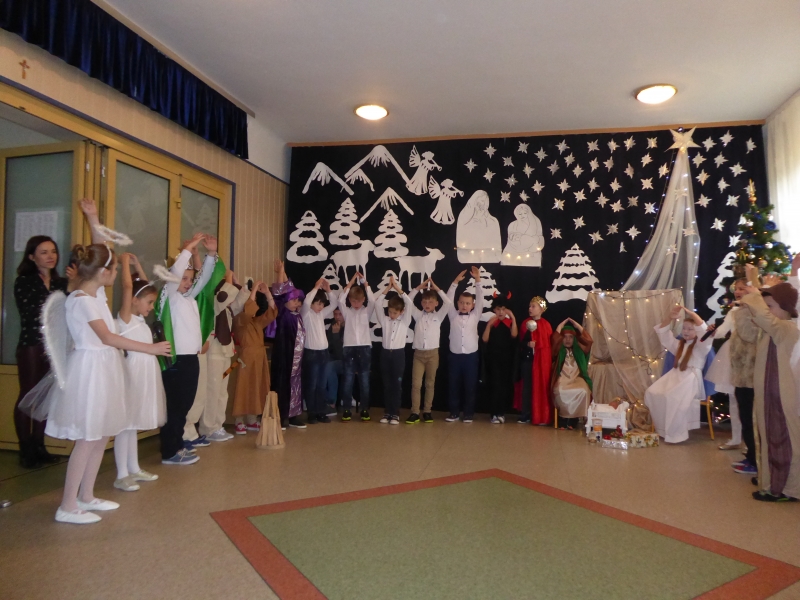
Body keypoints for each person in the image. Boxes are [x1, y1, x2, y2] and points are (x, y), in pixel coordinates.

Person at [47, 244, 170, 523]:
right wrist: (149, 348)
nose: (115, 273)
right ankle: (67, 505)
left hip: (104, 367)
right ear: (102, 272)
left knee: (101, 435)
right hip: (90, 370)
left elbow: (100, 248)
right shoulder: (81, 300)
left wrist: (93, 224)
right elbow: (107, 337)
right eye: (113, 268)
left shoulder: (96, 295)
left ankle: (87, 495)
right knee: (87, 438)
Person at [155, 233, 219, 465]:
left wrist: (210, 254)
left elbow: (204, 280)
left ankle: (178, 444)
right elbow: (175, 275)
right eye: (184, 278)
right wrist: (187, 250)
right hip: (176, 361)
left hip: (191, 359)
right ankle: (169, 451)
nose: (188, 282)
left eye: (190, 279)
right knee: (176, 406)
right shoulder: (169, 297)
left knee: (185, 406)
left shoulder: (189, 298)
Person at [738, 272, 800, 502]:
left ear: (784, 307)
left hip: (782, 397)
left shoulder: (787, 328)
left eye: (770, 306)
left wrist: (755, 297)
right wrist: (747, 306)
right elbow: (746, 331)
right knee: (768, 439)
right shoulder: (769, 330)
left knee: (785, 441)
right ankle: (772, 484)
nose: (766, 310)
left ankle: (790, 489)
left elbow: (766, 320)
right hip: (769, 395)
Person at [13, 234, 69, 468]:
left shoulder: (61, 282)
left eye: (53, 251)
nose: (50, 256)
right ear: (31, 257)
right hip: (32, 343)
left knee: (45, 396)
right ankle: (25, 449)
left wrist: (73, 284)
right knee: (28, 394)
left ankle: (39, 445)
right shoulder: (24, 281)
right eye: (44, 252)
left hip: (54, 346)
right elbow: (33, 312)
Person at [113, 253, 166, 492]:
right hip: (132, 373)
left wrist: (138, 265)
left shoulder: (140, 319)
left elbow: (145, 287)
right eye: (149, 303)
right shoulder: (125, 318)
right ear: (134, 301)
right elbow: (128, 287)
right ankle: (121, 474)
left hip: (146, 373)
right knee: (126, 424)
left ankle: (133, 468)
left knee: (133, 424)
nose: (151, 307)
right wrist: (125, 264)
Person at [645, 305, 714, 443]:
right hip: (675, 376)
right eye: (684, 328)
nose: (686, 331)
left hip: (690, 380)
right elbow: (664, 335)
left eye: (690, 329)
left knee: (673, 397)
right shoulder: (679, 345)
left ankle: (676, 433)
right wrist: (669, 318)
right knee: (652, 392)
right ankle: (663, 429)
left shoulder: (701, 346)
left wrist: (692, 314)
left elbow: (703, 331)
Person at [201, 271, 245, 441]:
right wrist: (228, 279)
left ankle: (218, 426)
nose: (232, 299)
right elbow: (224, 296)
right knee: (212, 391)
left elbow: (240, 301)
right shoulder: (215, 305)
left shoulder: (227, 309)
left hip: (226, 353)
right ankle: (208, 428)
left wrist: (236, 281)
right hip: (214, 354)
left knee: (222, 392)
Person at [706, 279, 749, 451]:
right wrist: (713, 331)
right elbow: (723, 331)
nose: (737, 292)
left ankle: (753, 442)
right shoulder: (734, 310)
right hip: (733, 353)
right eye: (736, 289)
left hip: (750, 354)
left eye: (742, 288)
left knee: (750, 400)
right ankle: (736, 438)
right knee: (734, 398)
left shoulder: (758, 310)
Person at [232, 280, 278, 432]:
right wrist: (253, 290)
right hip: (246, 359)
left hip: (259, 358)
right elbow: (247, 311)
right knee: (243, 388)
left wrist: (267, 293)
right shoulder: (239, 319)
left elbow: (272, 314)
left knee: (256, 387)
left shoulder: (256, 322)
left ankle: (252, 418)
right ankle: (239, 420)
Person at [406, 278, 451, 423]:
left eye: (431, 302)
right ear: (421, 303)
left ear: (436, 303)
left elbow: (448, 303)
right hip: (418, 355)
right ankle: (415, 412)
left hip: (433, 354)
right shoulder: (418, 315)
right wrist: (419, 287)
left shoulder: (438, 316)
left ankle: (427, 411)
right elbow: (408, 300)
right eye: (425, 302)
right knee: (416, 384)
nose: (427, 304)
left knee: (430, 383)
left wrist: (437, 288)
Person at [270, 261, 307, 429]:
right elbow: (280, 291)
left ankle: (293, 414)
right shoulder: (282, 312)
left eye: (298, 301)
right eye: (294, 301)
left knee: (295, 383)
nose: (297, 304)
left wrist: (283, 271)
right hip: (284, 355)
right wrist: (280, 273)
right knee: (282, 383)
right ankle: (281, 415)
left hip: (296, 359)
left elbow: (289, 287)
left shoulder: (296, 314)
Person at [373, 275, 412, 424]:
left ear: (401, 312)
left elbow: (409, 302)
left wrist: (398, 289)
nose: (392, 315)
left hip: (398, 355)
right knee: (387, 385)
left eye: (395, 312)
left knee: (397, 385)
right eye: (390, 312)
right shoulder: (385, 320)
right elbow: (377, 304)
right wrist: (387, 289)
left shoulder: (405, 321)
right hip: (385, 354)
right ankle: (387, 412)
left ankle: (395, 413)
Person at [445, 266, 483, 423]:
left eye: (467, 303)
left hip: (471, 356)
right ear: (458, 303)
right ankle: (454, 412)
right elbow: (448, 299)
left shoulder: (475, 315)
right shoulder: (452, 315)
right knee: (453, 385)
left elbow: (480, 299)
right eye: (461, 302)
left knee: (470, 385)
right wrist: (455, 282)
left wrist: (478, 280)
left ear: (472, 305)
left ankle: (468, 413)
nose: (464, 305)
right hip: (454, 356)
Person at [338, 271, 375, 422]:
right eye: (353, 301)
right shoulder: (347, 312)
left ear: (363, 300)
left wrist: (365, 284)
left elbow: (373, 300)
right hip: (349, 348)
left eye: (359, 301)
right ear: (350, 300)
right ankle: (347, 408)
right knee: (348, 379)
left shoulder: (367, 311)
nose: (356, 304)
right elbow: (340, 300)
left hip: (364, 348)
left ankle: (365, 409)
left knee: (364, 380)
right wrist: (352, 281)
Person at [301, 279, 338, 424]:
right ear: (312, 304)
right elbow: (306, 302)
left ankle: (321, 412)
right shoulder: (306, 314)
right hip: (311, 353)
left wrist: (328, 290)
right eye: (318, 304)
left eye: (322, 304)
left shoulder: (321, 314)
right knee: (312, 384)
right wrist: (316, 287)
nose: (321, 307)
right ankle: (312, 413)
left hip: (324, 353)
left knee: (322, 384)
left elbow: (334, 304)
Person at [515, 297, 553, 425]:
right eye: (529, 306)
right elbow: (520, 343)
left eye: (533, 306)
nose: (530, 309)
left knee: (540, 387)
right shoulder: (525, 324)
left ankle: (541, 414)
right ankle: (525, 414)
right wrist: (528, 344)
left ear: (541, 309)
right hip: (528, 360)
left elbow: (547, 346)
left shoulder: (546, 325)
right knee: (527, 388)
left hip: (541, 361)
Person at [481, 294, 518, 423]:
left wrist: (513, 317)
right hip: (493, 359)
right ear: (494, 310)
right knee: (495, 385)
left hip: (506, 359)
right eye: (498, 309)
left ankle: (501, 413)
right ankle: (494, 413)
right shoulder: (492, 322)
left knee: (504, 386)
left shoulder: (509, 323)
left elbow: (514, 335)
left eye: (503, 309)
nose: (501, 312)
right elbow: (484, 339)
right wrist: (489, 325)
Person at [551, 318, 593, 430]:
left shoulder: (579, 349)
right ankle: (563, 419)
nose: (568, 340)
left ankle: (574, 419)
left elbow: (589, 341)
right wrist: (561, 325)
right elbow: (554, 340)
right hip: (562, 379)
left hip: (576, 378)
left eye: (570, 337)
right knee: (560, 391)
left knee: (584, 390)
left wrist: (577, 326)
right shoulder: (558, 350)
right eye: (565, 337)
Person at [324, 308, 345, 415]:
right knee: (320, 364)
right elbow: (329, 348)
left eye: (340, 314)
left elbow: (341, 354)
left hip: (348, 361)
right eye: (335, 314)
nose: (337, 317)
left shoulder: (350, 327)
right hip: (334, 359)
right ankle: (319, 400)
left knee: (329, 366)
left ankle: (331, 403)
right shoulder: (332, 326)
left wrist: (336, 335)